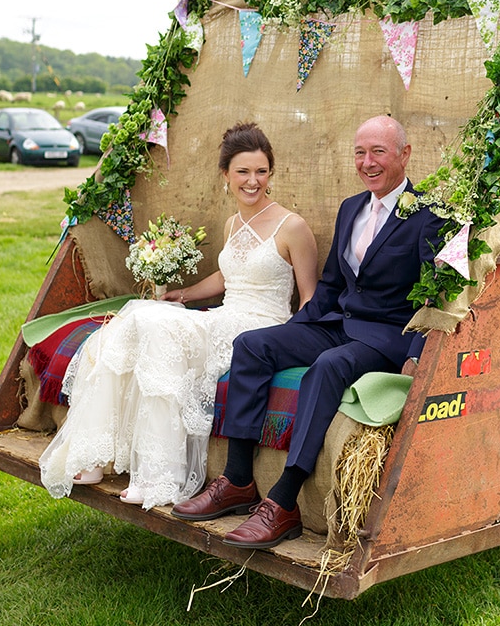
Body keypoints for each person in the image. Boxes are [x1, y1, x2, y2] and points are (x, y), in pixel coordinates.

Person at [172, 115, 445, 548]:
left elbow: (436, 294)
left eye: (378, 151)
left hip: (385, 336)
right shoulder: (351, 207)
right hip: (337, 323)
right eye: (360, 152)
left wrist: (416, 352)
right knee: (253, 345)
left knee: (328, 366)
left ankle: (283, 501)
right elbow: (333, 285)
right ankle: (238, 480)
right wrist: (295, 327)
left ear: (404, 154)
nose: (367, 162)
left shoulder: (430, 214)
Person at [39, 122, 319, 510]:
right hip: (226, 313)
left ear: (271, 173)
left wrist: (298, 344)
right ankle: (96, 455)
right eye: (243, 171)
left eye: (261, 171)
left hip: (262, 328)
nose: (252, 180)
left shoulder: (293, 226)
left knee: (157, 328)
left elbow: (309, 297)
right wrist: (181, 295)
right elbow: (227, 275)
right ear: (225, 175)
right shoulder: (234, 223)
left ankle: (160, 476)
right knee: (143, 315)